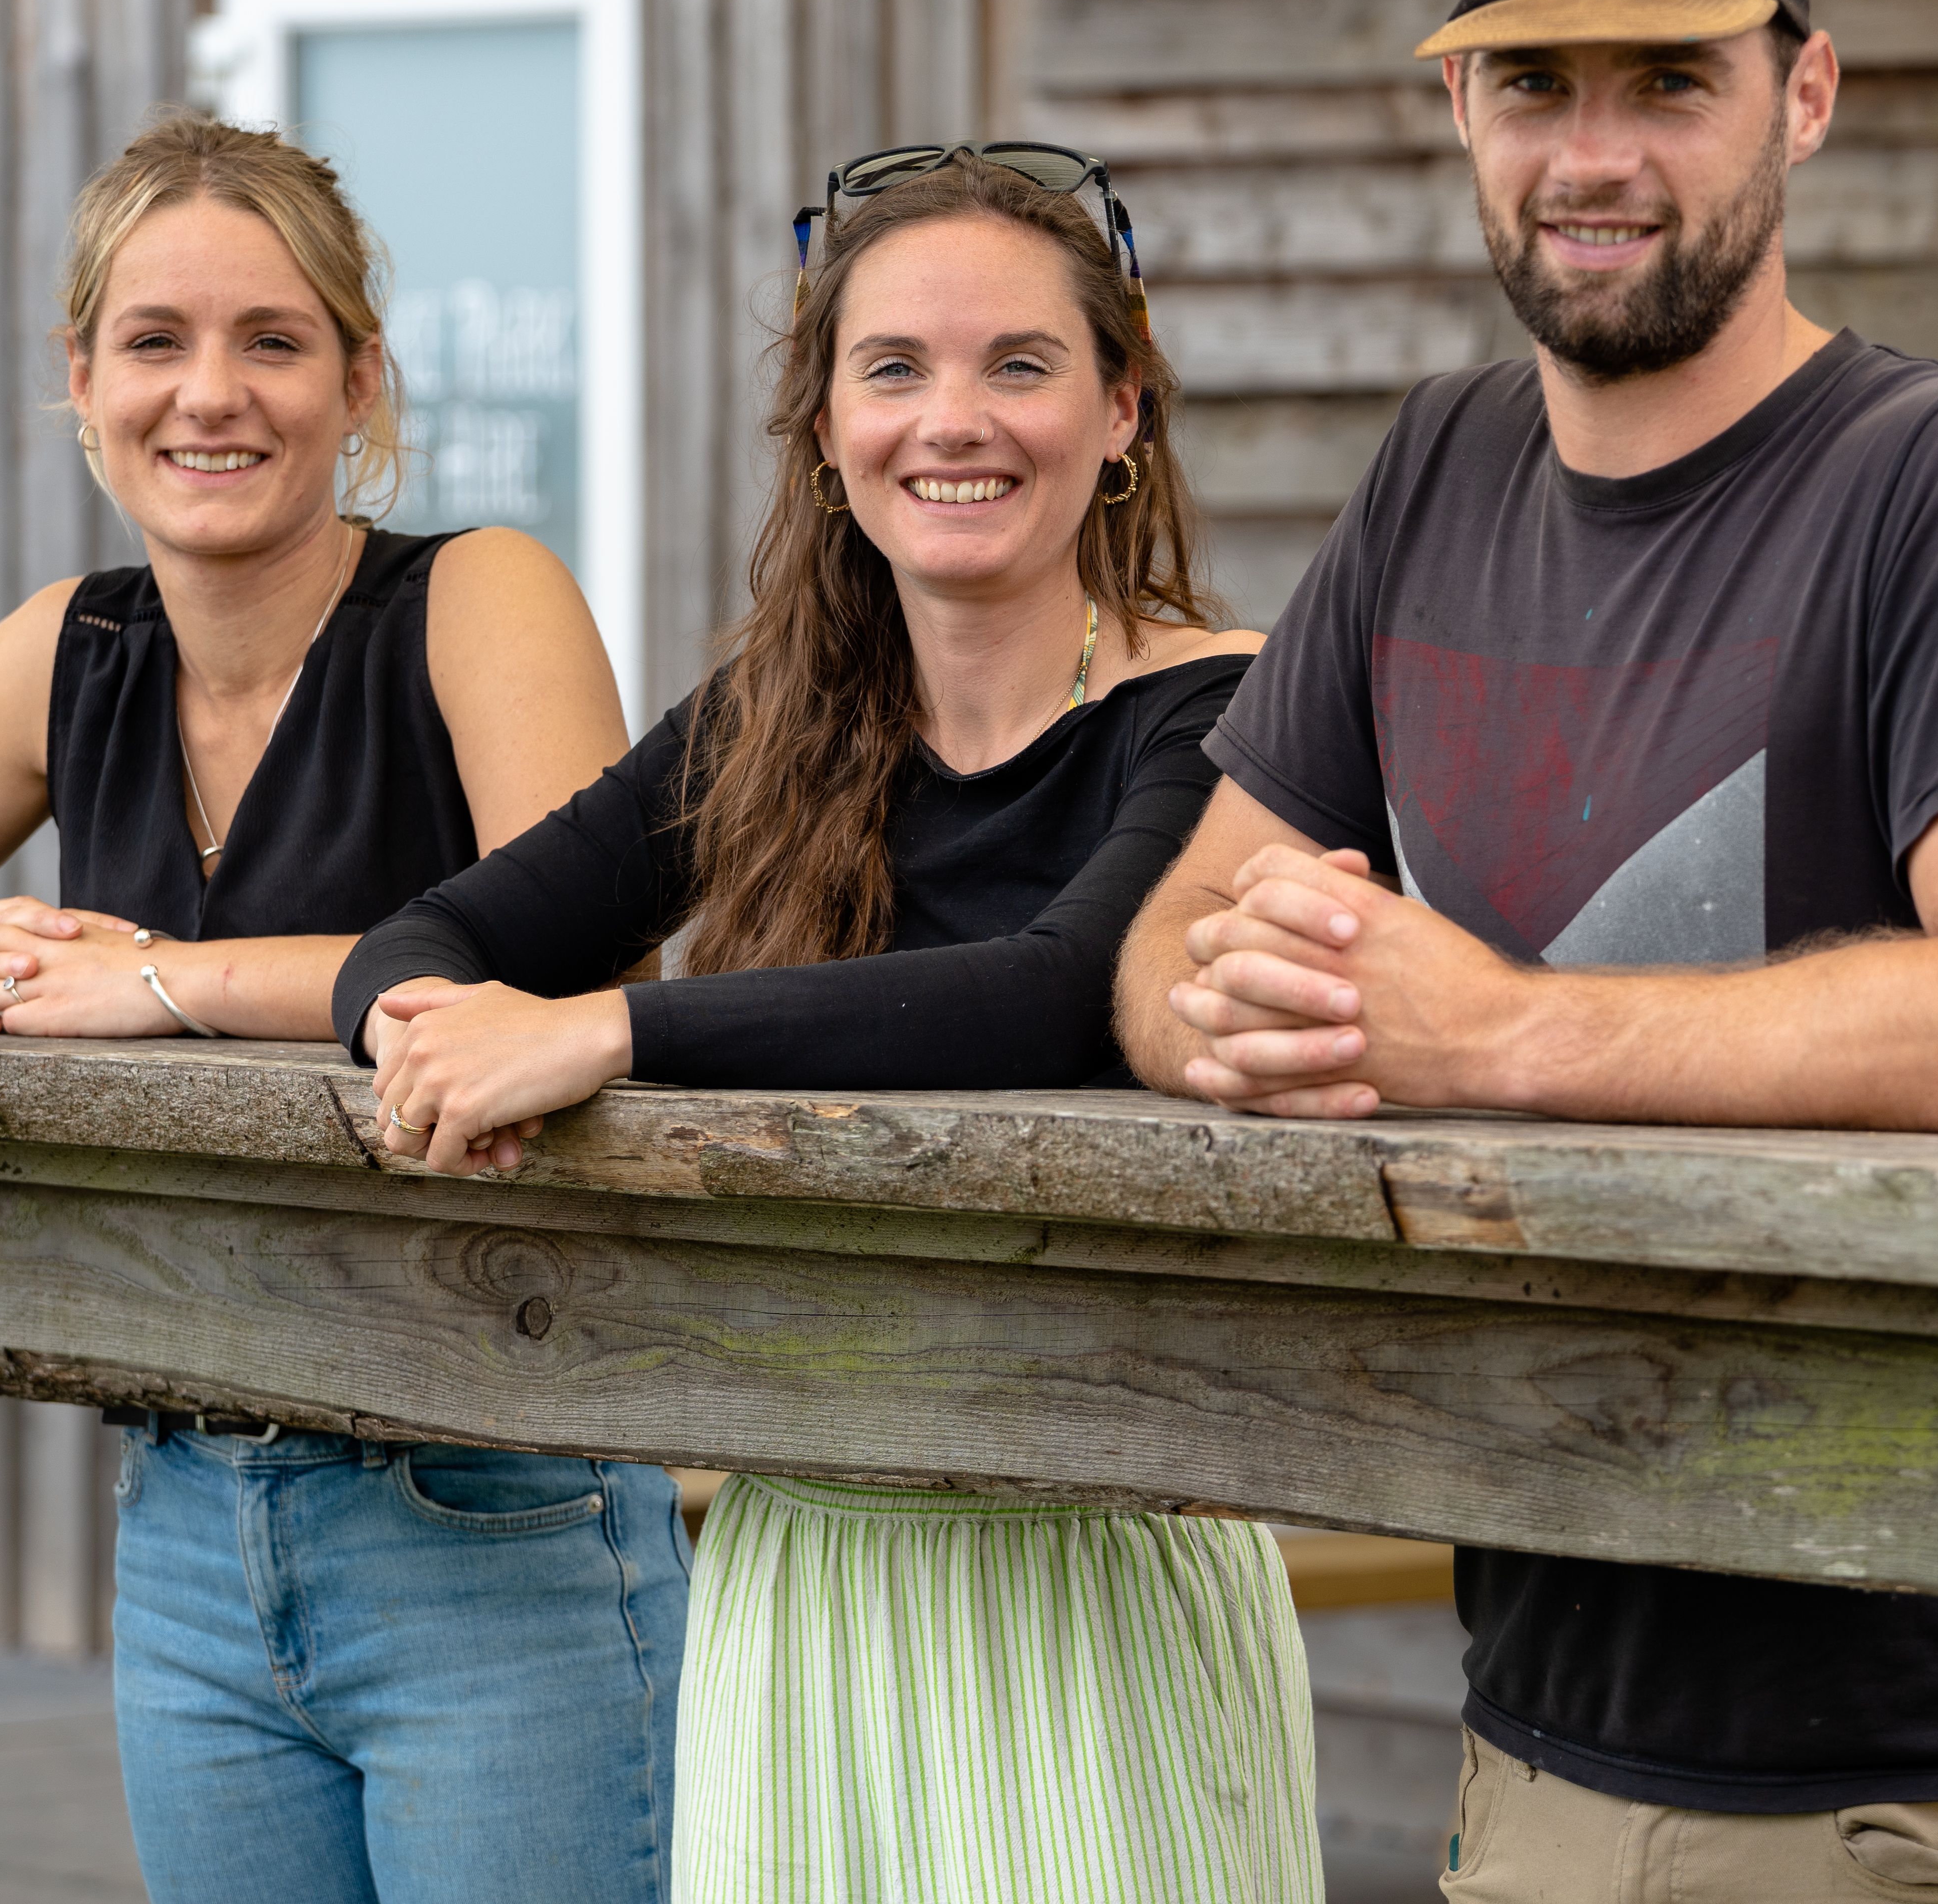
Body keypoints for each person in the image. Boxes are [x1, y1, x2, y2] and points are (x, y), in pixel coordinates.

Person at [1116, 0, 1938, 1901]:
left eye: (1671, 83)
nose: (1593, 154)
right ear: (1458, 108)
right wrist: (1248, 1011)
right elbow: (1172, 933)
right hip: (1544, 1729)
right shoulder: (1441, 471)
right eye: (1534, 84)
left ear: (1805, 94)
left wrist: (1498, 1033)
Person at [334, 147, 1324, 1904]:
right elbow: (432, 935)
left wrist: (608, 1033)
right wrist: (425, 1026)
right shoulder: (777, 727)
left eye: (1021, 365)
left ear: (1123, 415)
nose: (956, 421)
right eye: (894, 370)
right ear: (824, 429)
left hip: (1096, 1540)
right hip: (802, 1553)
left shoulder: (1223, 713)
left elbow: (1051, 987)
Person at [0, 111, 691, 1904]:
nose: (210, 395)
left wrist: (157, 986)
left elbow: (571, 974)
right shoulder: (68, 650)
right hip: (187, 1506)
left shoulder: (480, 600)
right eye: (154, 342)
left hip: (489, 1494)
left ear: (360, 380)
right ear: (79, 381)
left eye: (273, 341)